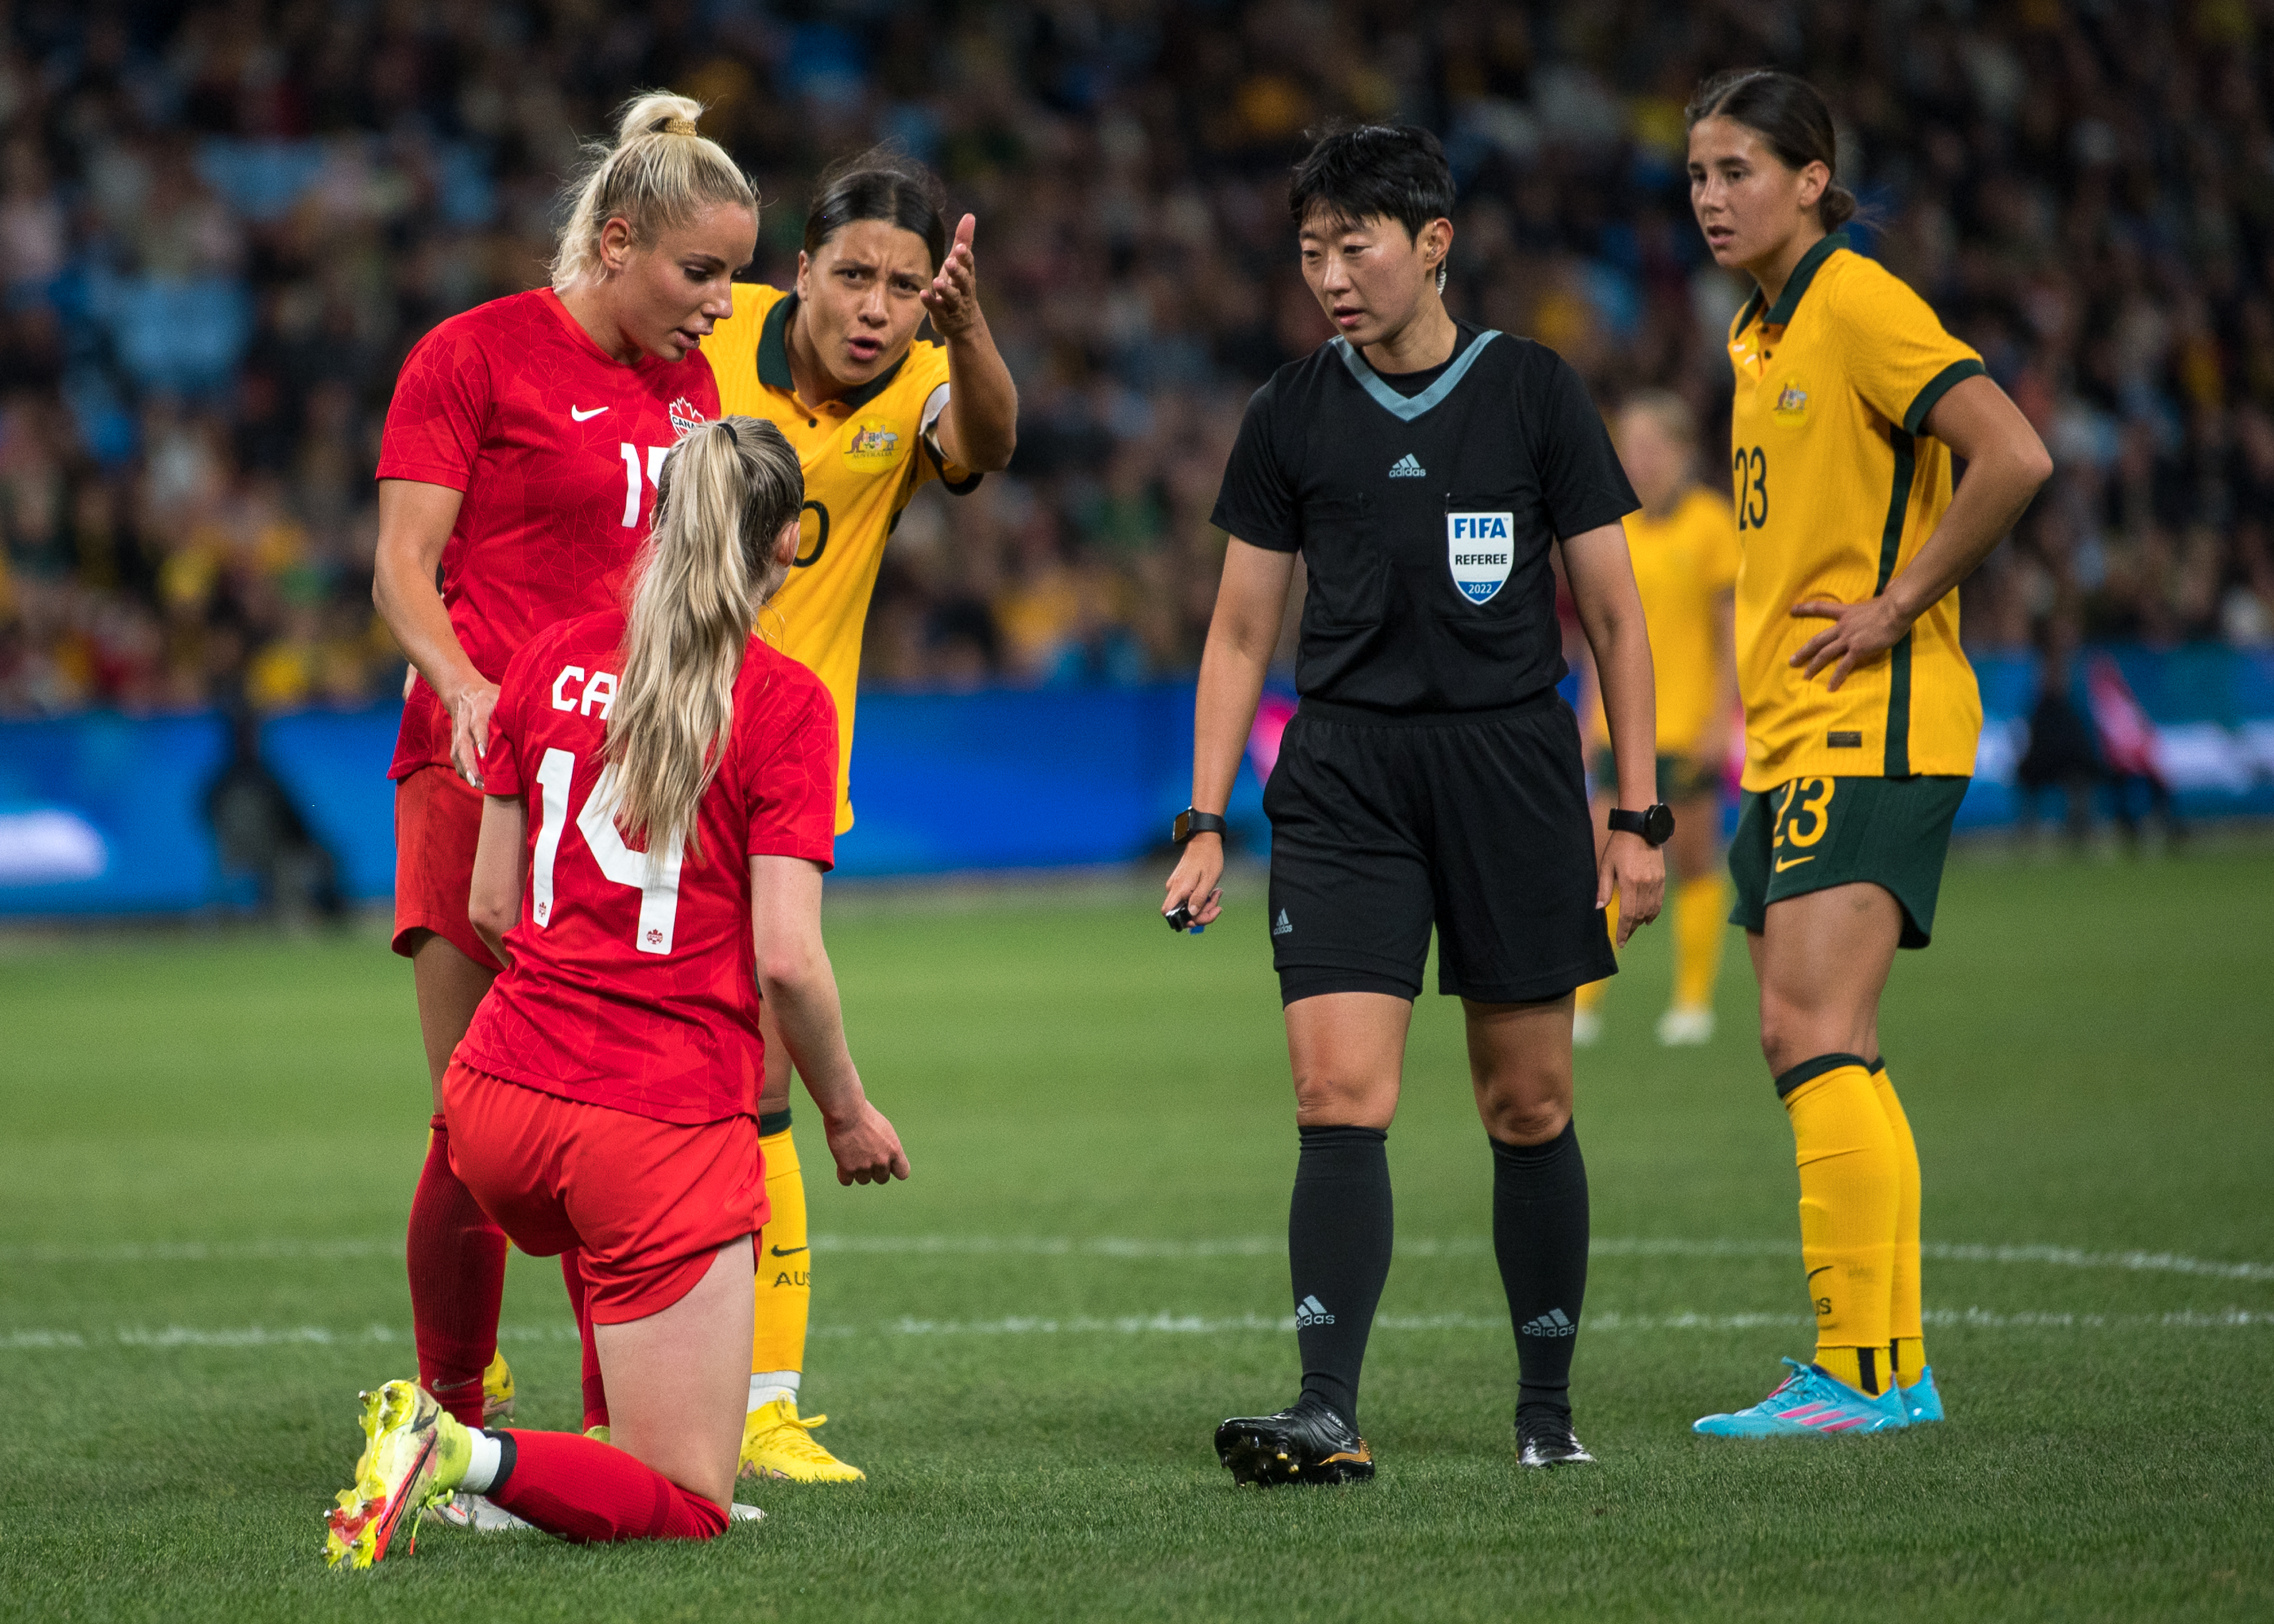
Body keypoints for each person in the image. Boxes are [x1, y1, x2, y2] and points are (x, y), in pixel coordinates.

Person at [1162, 124, 1667, 1483]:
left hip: (1510, 770)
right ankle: (1328, 1408)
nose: (1328, 273)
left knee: (1527, 1103)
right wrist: (1205, 818)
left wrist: (1637, 813)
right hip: (1342, 778)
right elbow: (1236, 634)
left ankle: (1546, 1409)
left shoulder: (1535, 393)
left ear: (1433, 244)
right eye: (1312, 249)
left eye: (1355, 245)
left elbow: (1616, 620)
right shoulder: (1288, 410)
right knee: (1335, 1091)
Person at [324, 416, 909, 1568]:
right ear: (790, 542)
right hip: (650, 1123)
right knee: (689, 1498)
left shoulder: (543, 658)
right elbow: (788, 958)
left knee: (620, 1311)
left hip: (493, 1104)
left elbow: (490, 908)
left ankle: (517, 1429)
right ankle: (458, 1454)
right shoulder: (784, 703)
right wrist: (845, 1111)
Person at [571, 147, 1016, 1486]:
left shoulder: (933, 372)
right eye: (852, 276)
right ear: (801, 270)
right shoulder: (718, 330)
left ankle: (762, 1405)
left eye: (900, 286)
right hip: (641, 744)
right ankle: (624, 1400)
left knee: (751, 1085)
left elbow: (988, 446)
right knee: (621, 1077)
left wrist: (970, 323)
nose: (875, 308)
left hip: (778, 766)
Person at [371, 94, 746, 1452]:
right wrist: (470, 687)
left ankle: (615, 1439)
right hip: (474, 762)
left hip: (614, 787)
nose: (719, 305)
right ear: (622, 238)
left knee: (616, 1107)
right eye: (699, 273)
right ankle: (449, 1426)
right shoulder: (471, 356)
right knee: (474, 1118)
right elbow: (401, 572)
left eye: (733, 277)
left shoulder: (691, 386)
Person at [1681, 69, 2051, 1437]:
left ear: (1813, 179)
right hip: (1789, 736)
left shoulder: (1858, 302)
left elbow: (2012, 453)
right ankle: (1888, 1365)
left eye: (1739, 171)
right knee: (1833, 1045)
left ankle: (1864, 1372)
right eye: (1700, 177)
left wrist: (1901, 604)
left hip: (1872, 723)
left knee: (1809, 1029)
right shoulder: (1759, 332)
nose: (1713, 198)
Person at [1573, 392, 1739, 1047]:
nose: (1637, 461)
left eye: (1649, 447)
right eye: (1629, 448)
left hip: (1686, 722)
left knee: (1694, 861)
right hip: (1617, 727)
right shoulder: (1610, 525)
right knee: (1596, 859)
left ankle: (1692, 1002)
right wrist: (1588, 715)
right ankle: (1585, 1002)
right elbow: (1594, 633)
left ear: (1680, 452)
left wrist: (1719, 719)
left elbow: (1728, 635)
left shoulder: (1708, 524)